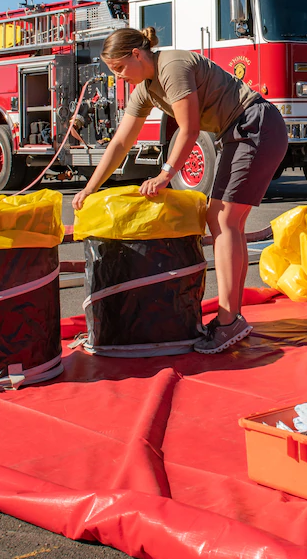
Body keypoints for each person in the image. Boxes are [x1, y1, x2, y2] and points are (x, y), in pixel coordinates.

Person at [72, 26, 288, 354]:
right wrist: (89, 188)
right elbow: (120, 142)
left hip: (256, 125)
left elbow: (189, 129)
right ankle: (233, 318)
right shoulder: (144, 88)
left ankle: (230, 322)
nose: (118, 77)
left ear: (137, 54)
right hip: (239, 132)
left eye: (119, 68)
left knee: (224, 221)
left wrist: (165, 174)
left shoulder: (171, 66)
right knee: (226, 222)